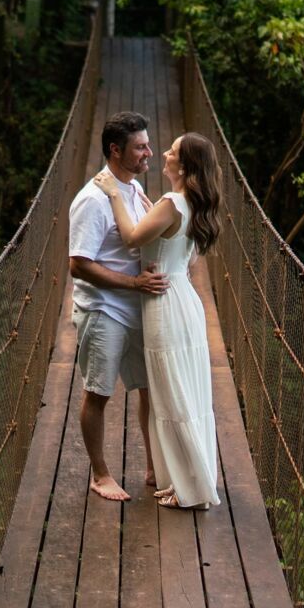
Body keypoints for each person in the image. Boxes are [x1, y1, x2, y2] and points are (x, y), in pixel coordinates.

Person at [92, 133, 223, 509]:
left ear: (182, 166)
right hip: (184, 298)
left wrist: (114, 194)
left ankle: (189, 488)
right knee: (184, 390)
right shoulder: (194, 204)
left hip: (163, 302)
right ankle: (187, 479)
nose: (163, 153)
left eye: (172, 151)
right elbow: (186, 254)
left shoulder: (171, 204)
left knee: (170, 391)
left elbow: (133, 238)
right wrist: (155, 212)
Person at [68, 112, 168, 502]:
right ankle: (100, 474)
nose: (149, 152)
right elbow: (78, 264)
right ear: (116, 150)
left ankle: (151, 465)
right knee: (99, 393)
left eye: (147, 144)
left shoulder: (131, 187)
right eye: (141, 146)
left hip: (137, 306)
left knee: (148, 389)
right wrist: (133, 282)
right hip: (103, 310)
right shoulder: (93, 200)